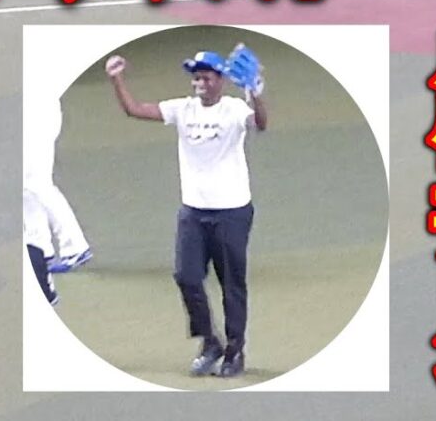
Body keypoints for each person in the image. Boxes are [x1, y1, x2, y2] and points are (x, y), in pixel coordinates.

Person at [105, 45, 268, 378]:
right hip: (193, 212)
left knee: (231, 284)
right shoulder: (182, 109)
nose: (200, 84)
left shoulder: (234, 108)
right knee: (186, 276)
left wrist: (256, 92)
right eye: (196, 79)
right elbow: (135, 110)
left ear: (220, 80)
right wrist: (117, 79)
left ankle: (235, 351)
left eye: (206, 78)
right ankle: (210, 343)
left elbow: (260, 123)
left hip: (232, 211)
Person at [24, 96, 93, 274]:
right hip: (31, 111)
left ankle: (75, 247)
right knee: (26, 185)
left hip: (36, 112)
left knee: (36, 182)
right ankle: (40, 248)